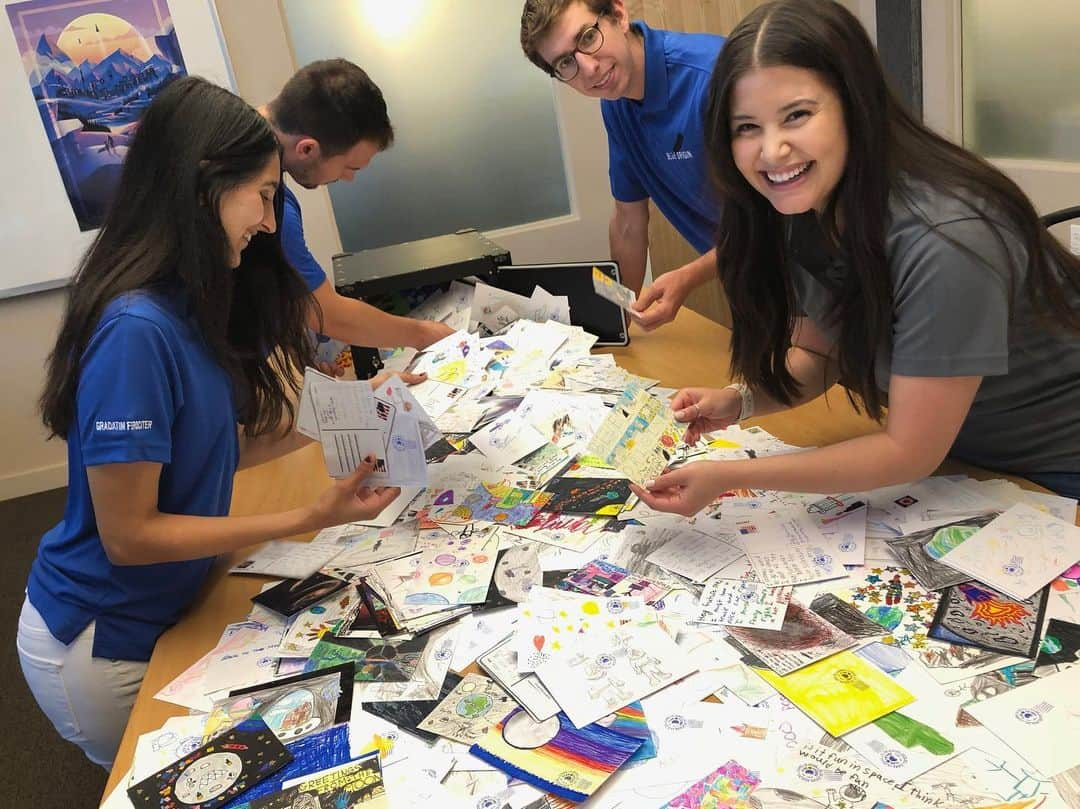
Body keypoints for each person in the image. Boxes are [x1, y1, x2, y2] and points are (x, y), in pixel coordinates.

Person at [17, 77, 407, 770]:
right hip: (105, 639)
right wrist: (302, 516)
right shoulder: (135, 330)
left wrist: (352, 409)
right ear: (204, 187)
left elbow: (215, 445)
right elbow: (131, 534)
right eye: (261, 196)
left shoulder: (186, 299)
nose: (268, 220)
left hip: (172, 599)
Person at [632, 0, 1080, 515]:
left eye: (796, 115)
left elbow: (906, 450)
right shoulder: (806, 206)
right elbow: (824, 357)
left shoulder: (947, 239)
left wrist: (730, 477)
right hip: (972, 463)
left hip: (1059, 472)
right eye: (746, 127)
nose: (772, 151)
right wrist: (740, 403)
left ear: (854, 104)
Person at [520, 0, 724, 328]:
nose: (589, 69)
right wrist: (615, 317)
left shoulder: (713, 76)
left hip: (813, 268)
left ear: (618, 14)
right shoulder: (616, 105)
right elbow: (629, 221)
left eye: (587, 37)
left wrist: (689, 276)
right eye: (565, 62)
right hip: (750, 274)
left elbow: (779, 220)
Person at [260, 59, 454, 358]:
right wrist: (422, 333)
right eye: (350, 167)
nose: (348, 179)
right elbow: (325, 312)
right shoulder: (270, 207)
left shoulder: (238, 132)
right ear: (307, 148)